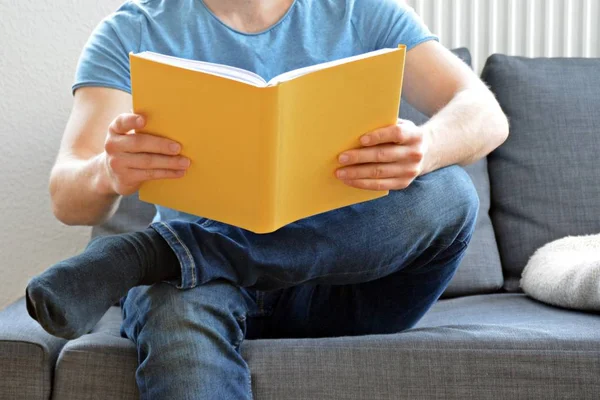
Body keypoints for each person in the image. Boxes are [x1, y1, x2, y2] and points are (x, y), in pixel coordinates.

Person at [26, 0, 509, 398]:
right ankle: (180, 258)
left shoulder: (361, 11)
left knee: (449, 193)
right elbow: (67, 198)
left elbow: (485, 114)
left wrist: (424, 150)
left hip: (344, 279)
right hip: (198, 288)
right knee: (175, 311)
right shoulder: (134, 28)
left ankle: (160, 251)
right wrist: (108, 170)